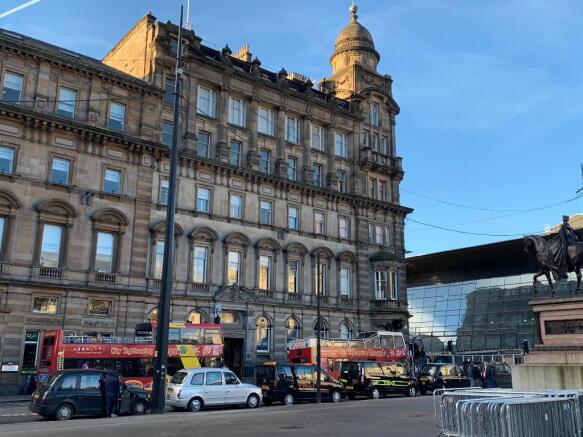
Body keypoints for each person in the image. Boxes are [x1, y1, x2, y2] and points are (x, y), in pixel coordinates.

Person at [557, 215, 579, 279]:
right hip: (572, 242)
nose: (563, 221)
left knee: (563, 255)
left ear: (564, 220)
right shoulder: (569, 226)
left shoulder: (563, 226)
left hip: (566, 243)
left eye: (563, 220)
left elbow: (564, 235)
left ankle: (564, 271)